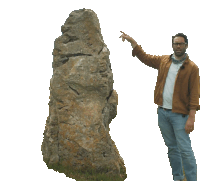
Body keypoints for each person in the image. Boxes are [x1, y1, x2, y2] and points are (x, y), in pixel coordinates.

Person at [119, 31, 198, 181]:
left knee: (186, 151)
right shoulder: (164, 61)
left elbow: (194, 95)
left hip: (180, 115)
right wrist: (133, 43)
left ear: (186, 45)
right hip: (163, 113)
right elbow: (146, 58)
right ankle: (178, 178)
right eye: (176, 43)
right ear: (172, 45)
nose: (178, 46)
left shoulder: (192, 68)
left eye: (181, 43)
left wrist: (191, 118)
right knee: (173, 149)